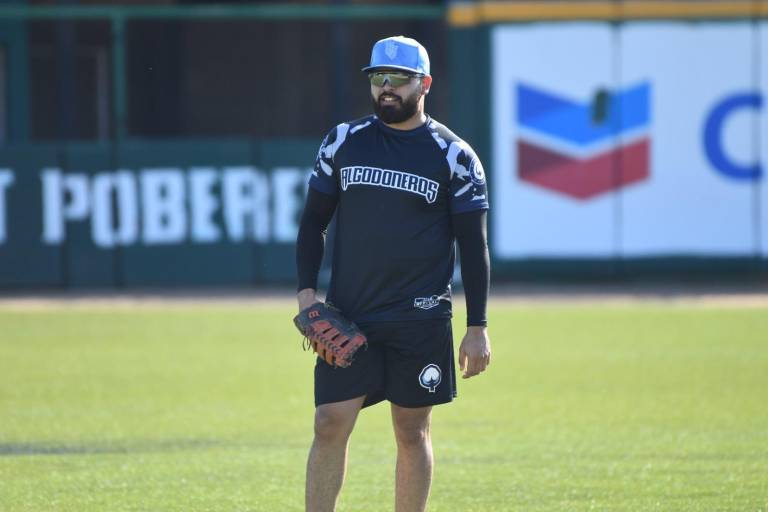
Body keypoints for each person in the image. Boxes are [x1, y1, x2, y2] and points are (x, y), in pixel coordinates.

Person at [295, 35, 491, 512]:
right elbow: (312, 223)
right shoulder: (343, 141)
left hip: (419, 317)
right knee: (329, 422)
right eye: (378, 78)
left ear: (424, 84)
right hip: (350, 312)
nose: (386, 88)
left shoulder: (454, 156)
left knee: (411, 429)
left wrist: (477, 327)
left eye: (398, 80)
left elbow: (473, 245)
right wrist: (307, 298)